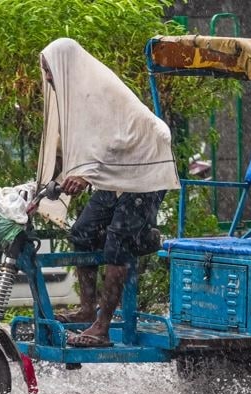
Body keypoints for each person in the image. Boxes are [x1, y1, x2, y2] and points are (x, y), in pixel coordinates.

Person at [36, 38, 180, 347]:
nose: (47, 78)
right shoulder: (72, 100)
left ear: (65, 67)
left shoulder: (97, 89)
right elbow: (65, 149)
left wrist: (86, 174)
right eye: (45, 71)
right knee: (83, 233)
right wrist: (36, 188)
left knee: (117, 243)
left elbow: (114, 138)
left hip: (145, 168)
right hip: (114, 174)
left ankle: (101, 327)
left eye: (50, 71)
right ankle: (87, 309)